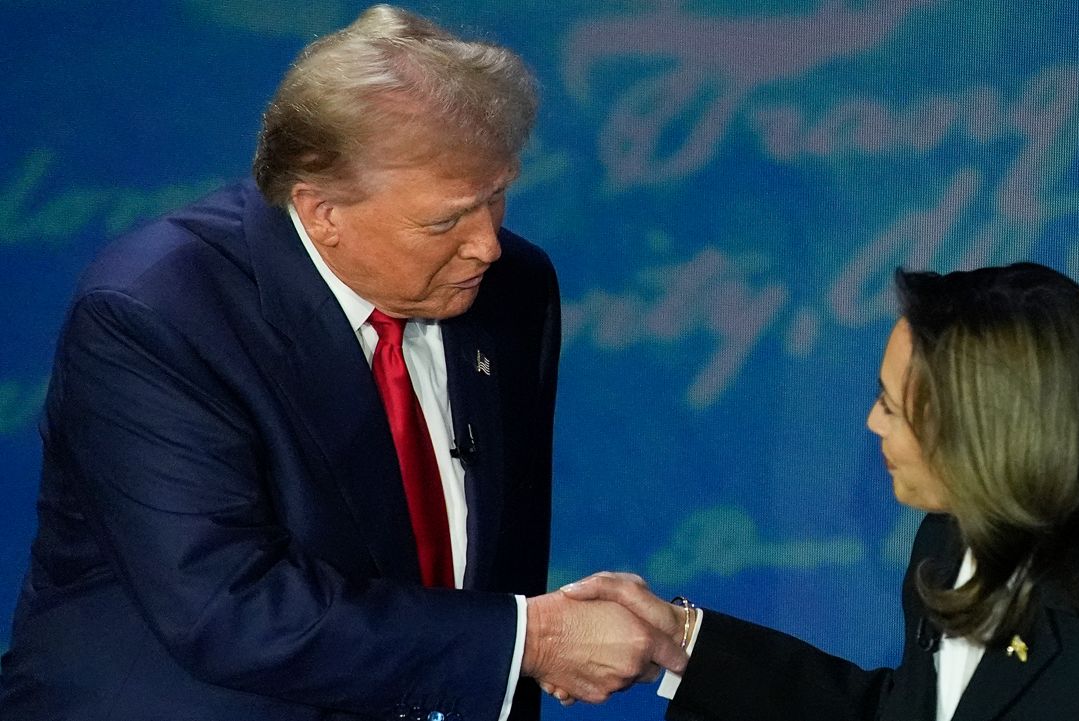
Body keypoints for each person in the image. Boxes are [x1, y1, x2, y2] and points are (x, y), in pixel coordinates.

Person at [0, 5, 682, 720]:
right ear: (322, 209)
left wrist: (522, 648)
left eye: (496, 196)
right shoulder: (156, 314)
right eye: (445, 220)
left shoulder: (513, 289)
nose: (485, 243)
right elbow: (229, 608)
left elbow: (490, 568)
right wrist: (530, 638)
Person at [560, 263, 1079, 720]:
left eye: (891, 406)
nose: (871, 423)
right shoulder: (949, 541)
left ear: (984, 436)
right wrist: (680, 640)